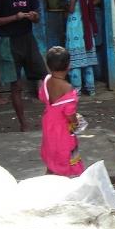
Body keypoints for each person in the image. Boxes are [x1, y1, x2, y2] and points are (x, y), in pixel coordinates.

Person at [0, 0, 48, 132]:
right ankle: (23, 123)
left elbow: (38, 17)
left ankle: (53, 118)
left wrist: (33, 16)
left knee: (45, 77)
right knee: (16, 85)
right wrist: (14, 17)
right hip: (8, 43)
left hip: (28, 39)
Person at [39, 46, 84, 177]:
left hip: (49, 123)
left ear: (48, 66)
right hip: (62, 128)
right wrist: (76, 123)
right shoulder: (67, 87)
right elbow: (69, 113)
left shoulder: (47, 80)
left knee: (52, 151)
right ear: (68, 66)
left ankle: (49, 176)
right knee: (65, 153)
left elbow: (42, 97)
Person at [64, 0, 98, 96]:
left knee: (75, 63)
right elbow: (94, 1)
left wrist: (65, 5)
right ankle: (91, 90)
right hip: (85, 27)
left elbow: (71, 8)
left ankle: (76, 91)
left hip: (75, 27)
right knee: (87, 61)